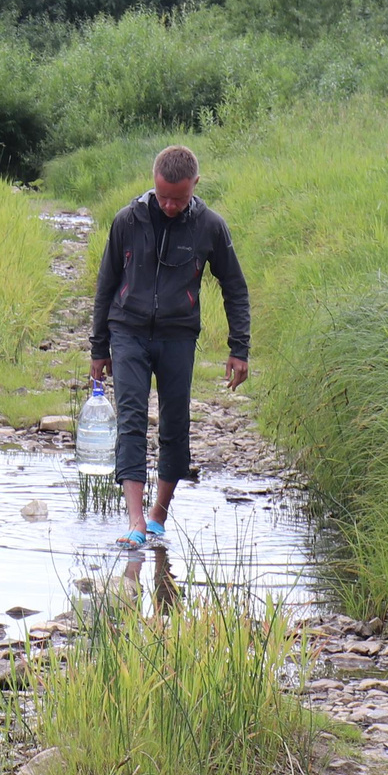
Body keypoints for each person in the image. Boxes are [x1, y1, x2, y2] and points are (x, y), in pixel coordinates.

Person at [88, 144, 251, 550]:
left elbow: (234, 287)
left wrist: (239, 348)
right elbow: (106, 285)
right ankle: (135, 521)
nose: (169, 206)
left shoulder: (210, 226)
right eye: (162, 196)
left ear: (195, 184)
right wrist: (98, 348)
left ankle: (158, 516)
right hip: (127, 330)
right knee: (131, 419)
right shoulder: (127, 221)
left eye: (178, 198)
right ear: (154, 183)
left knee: (175, 424)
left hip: (179, 335)